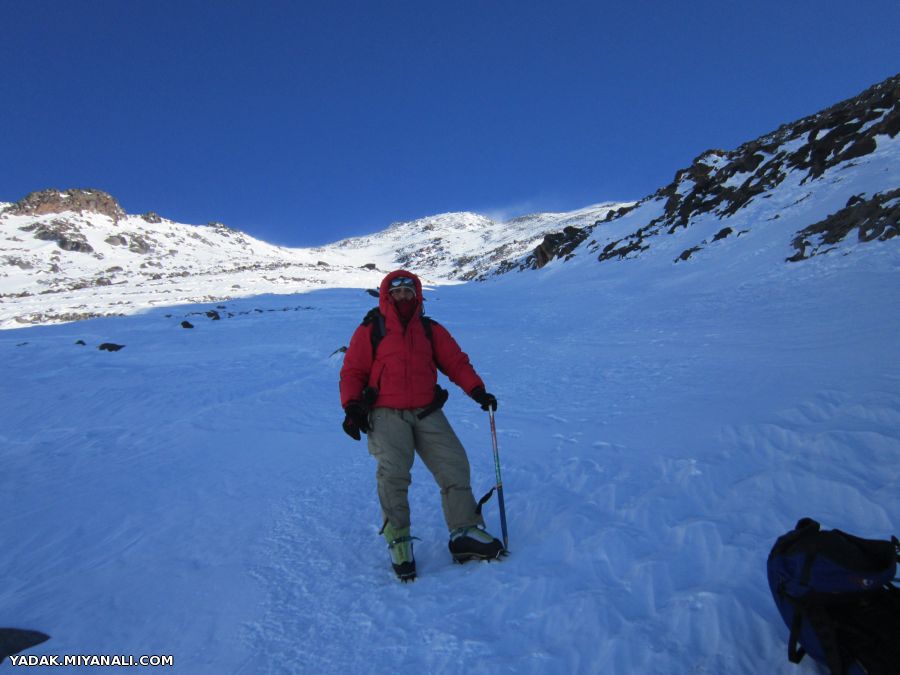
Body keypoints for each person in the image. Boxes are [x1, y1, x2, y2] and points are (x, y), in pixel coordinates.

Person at [339, 269, 505, 581]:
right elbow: (353, 370)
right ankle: (399, 539)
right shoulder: (371, 328)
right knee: (394, 473)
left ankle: (464, 532)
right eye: (397, 291)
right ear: (387, 295)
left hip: (427, 409)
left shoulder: (430, 330)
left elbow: (456, 362)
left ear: (417, 294)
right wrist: (351, 408)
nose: (403, 296)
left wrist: (477, 391)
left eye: (409, 290)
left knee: (454, 463)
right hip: (385, 412)